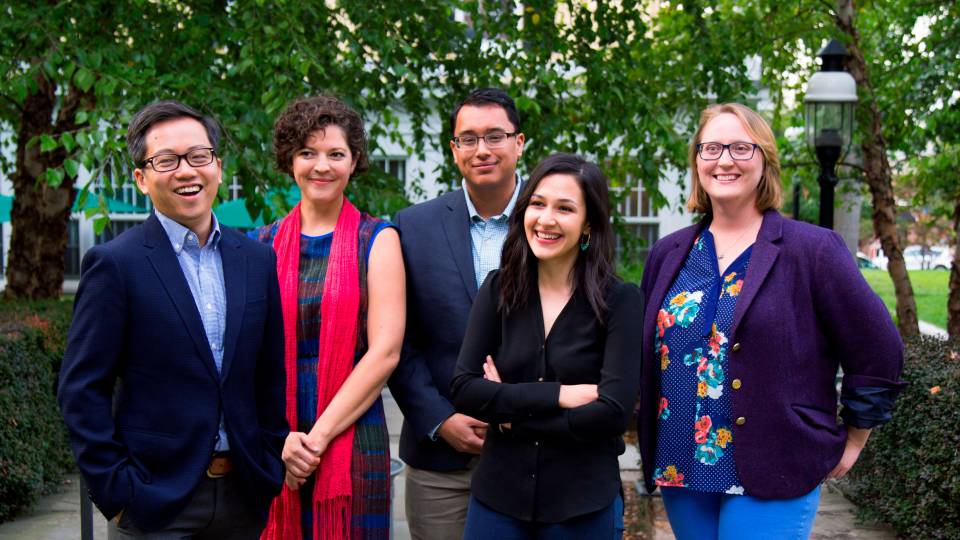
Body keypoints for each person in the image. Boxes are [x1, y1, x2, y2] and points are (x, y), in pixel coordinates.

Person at [637, 103, 906, 539]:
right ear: (697, 162)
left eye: (742, 148)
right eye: (711, 148)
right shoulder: (668, 255)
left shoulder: (812, 250)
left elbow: (878, 346)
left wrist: (855, 437)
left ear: (765, 161)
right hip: (679, 465)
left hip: (776, 465)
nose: (725, 160)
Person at [58, 100, 287, 539]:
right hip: (154, 503)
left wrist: (269, 461)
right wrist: (118, 492)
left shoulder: (256, 260)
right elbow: (81, 389)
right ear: (142, 178)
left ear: (218, 166)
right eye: (167, 160)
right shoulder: (115, 265)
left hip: (244, 497)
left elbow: (268, 377)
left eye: (199, 156)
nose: (187, 171)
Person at [450, 153, 642, 538]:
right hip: (497, 504)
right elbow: (465, 389)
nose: (546, 219)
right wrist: (560, 395)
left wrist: (508, 412)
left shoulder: (620, 301)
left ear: (589, 223)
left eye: (565, 208)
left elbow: (613, 414)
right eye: (537, 203)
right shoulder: (498, 289)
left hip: (580, 508)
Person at [251, 95, 405, 540]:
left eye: (336, 154)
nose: (322, 166)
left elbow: (385, 353)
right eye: (308, 153)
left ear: (354, 161)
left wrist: (313, 440)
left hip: (352, 438)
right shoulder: (259, 245)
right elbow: (248, 355)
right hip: (276, 437)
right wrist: (283, 441)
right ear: (289, 160)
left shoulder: (377, 239)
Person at [387, 87, 525, 539]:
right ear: (453, 149)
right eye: (468, 138)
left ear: (519, 142)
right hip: (442, 463)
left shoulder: (555, 216)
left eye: (495, 136)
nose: (481, 150)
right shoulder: (412, 227)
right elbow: (395, 341)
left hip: (539, 453)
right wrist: (438, 419)